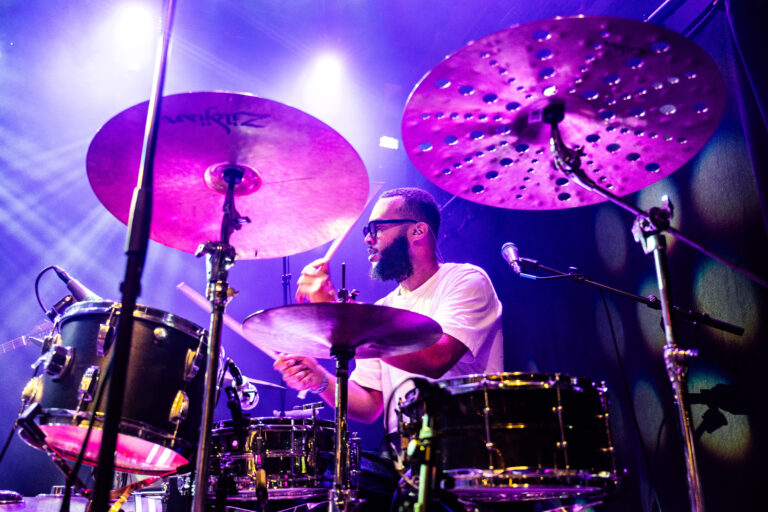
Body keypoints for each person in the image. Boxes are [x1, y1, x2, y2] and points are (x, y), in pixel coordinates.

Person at [273, 187, 504, 435]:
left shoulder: (466, 280)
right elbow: (368, 406)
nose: (368, 239)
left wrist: (340, 314)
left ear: (418, 230)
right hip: (403, 451)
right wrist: (320, 378)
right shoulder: (383, 310)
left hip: (465, 439)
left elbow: (436, 360)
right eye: (367, 231)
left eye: (377, 229)